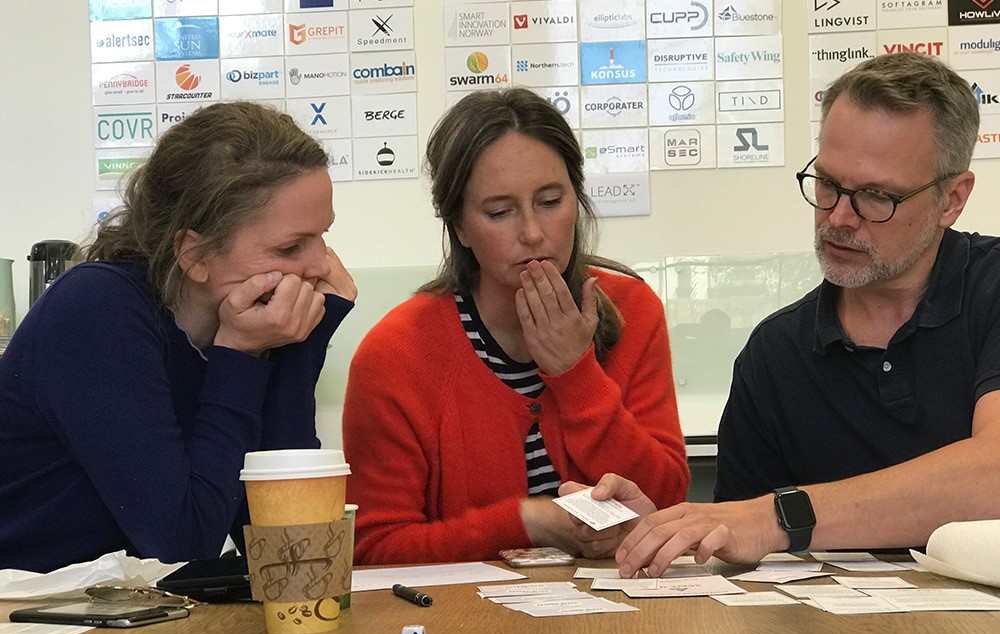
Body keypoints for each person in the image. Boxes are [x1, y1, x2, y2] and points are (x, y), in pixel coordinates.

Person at [575, 51, 1000, 578]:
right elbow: (739, 546)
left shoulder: (992, 288)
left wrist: (780, 517)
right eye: (827, 184)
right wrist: (672, 530)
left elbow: (993, 475)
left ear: (952, 200)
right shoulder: (775, 354)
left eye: (876, 197)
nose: (838, 218)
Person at [0, 102, 357, 573]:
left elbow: (284, 549)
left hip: (117, 606)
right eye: (291, 247)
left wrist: (300, 343)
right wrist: (242, 355)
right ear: (195, 254)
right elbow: (182, 542)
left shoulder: (246, 324)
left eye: (322, 235)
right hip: (22, 605)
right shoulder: (95, 309)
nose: (318, 265)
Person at [343, 88, 689, 565]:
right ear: (459, 227)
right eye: (500, 212)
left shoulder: (632, 309)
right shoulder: (396, 353)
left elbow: (666, 502)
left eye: (550, 201)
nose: (532, 233)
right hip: (464, 611)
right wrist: (528, 521)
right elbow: (372, 549)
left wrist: (577, 375)